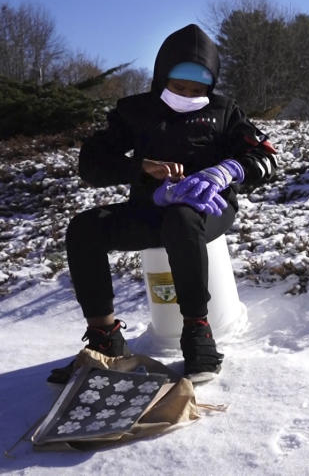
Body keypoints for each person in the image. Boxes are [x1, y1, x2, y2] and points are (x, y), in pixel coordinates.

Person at [49, 24, 278, 384]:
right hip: (147, 208)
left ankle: (197, 331)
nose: (188, 94)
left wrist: (228, 170)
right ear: (161, 78)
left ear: (211, 86)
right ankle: (105, 337)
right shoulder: (134, 111)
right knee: (84, 228)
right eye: (179, 86)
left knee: (181, 219)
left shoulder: (225, 111)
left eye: (197, 89)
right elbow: (91, 164)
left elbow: (266, 158)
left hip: (208, 211)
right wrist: (138, 169)